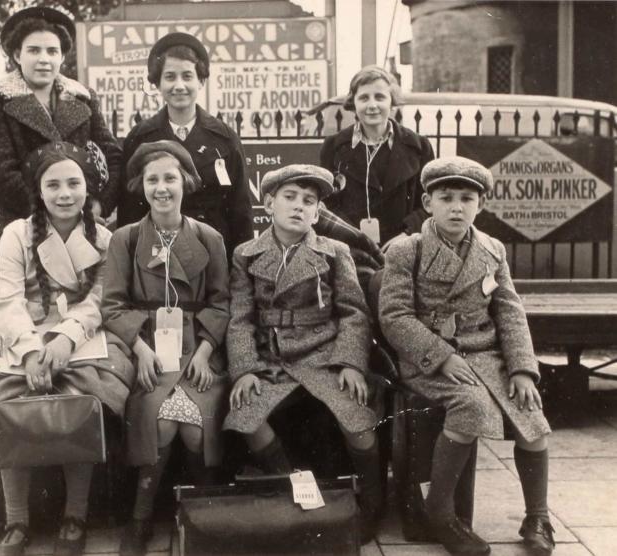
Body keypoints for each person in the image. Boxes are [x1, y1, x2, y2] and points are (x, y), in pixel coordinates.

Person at [0, 142, 135, 556]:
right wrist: (32, 351)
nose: (64, 194)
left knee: (82, 403)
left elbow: (99, 301)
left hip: (79, 339)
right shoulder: (16, 234)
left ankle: (75, 516)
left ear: (87, 190)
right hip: (27, 339)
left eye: (74, 184)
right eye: (53, 185)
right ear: (39, 192)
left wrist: (67, 338)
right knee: (7, 405)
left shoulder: (105, 239)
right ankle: (16, 520)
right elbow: (5, 299)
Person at [379, 157, 554, 556]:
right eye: (446, 198)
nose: (457, 207)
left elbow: (509, 311)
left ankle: (538, 516)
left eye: (467, 198)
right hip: (431, 360)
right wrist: (441, 356)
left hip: (486, 353)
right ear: (428, 203)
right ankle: (440, 511)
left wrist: (523, 369)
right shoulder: (408, 250)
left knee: (534, 419)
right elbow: (395, 316)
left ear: (481, 205)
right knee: (471, 406)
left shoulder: (492, 249)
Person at [223, 164, 383, 541]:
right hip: (271, 360)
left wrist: (350, 363)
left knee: (356, 418)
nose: (298, 207)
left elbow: (354, 313)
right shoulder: (246, 254)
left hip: (324, 356)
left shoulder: (334, 251)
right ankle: (294, 488)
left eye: (308, 201)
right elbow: (241, 318)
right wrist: (245, 368)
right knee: (245, 415)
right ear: (268, 204)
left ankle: (373, 503)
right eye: (289, 198)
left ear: (317, 212)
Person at [101, 141, 230, 556]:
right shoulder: (125, 239)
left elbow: (222, 301)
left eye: (170, 178)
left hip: (199, 351)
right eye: (152, 179)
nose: (162, 188)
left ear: (186, 183)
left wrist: (208, 352)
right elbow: (113, 304)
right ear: (141, 186)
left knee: (195, 431)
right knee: (159, 426)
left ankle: (202, 515)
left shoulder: (209, 238)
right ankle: (140, 518)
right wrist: (138, 349)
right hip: (149, 349)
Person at [0, 6, 121, 340]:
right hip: (17, 224)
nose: (44, 59)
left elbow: (112, 154)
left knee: (79, 319)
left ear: (63, 57)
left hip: (76, 225)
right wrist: (54, 211)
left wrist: (96, 205)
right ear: (16, 54)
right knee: (14, 327)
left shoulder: (82, 98)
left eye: (52, 51)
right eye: (34, 50)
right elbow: (0, 174)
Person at [109, 32, 253, 259]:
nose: (179, 86)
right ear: (157, 83)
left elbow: (240, 211)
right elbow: (129, 210)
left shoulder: (225, 139)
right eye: (169, 77)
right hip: (156, 256)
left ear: (201, 80)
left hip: (213, 256)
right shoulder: (141, 137)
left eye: (187, 76)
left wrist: (240, 271)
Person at [319, 65, 434, 251]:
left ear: (391, 101)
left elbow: (430, 202)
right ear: (353, 102)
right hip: (351, 249)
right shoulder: (333, 147)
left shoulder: (419, 146)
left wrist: (407, 235)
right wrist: (355, 238)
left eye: (380, 97)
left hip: (405, 248)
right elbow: (328, 204)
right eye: (364, 98)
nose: (372, 105)